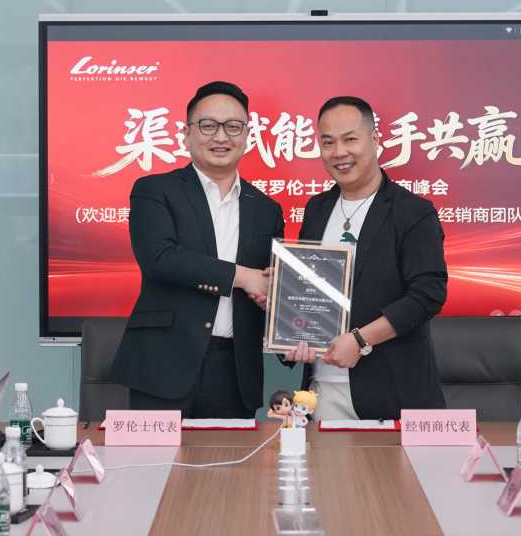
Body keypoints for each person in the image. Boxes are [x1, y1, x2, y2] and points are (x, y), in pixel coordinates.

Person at [110, 81, 284, 418]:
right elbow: (160, 259)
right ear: (186, 134)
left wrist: (277, 308)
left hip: (235, 372)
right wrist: (243, 277)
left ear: (247, 135)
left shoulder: (267, 210)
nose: (221, 136)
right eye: (208, 125)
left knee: (228, 457)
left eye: (233, 126)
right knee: (153, 456)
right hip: (163, 365)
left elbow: (269, 282)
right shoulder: (154, 190)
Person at [285, 96, 448, 421]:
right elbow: (306, 290)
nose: (339, 152)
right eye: (328, 142)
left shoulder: (413, 212)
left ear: (374, 140)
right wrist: (287, 321)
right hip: (322, 390)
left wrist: (360, 340)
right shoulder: (317, 209)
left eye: (350, 139)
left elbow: (427, 295)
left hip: (393, 392)